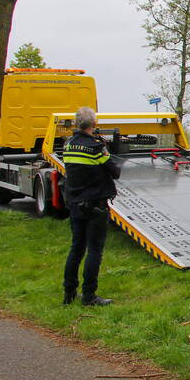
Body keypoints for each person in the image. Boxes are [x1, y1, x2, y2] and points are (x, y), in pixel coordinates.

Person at [62, 107, 121, 306]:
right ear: (94, 124)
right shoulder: (96, 147)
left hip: (75, 203)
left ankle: (69, 293)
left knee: (76, 249)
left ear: (77, 123)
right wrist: (107, 151)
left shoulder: (68, 145)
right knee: (94, 251)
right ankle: (89, 296)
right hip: (95, 205)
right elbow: (114, 171)